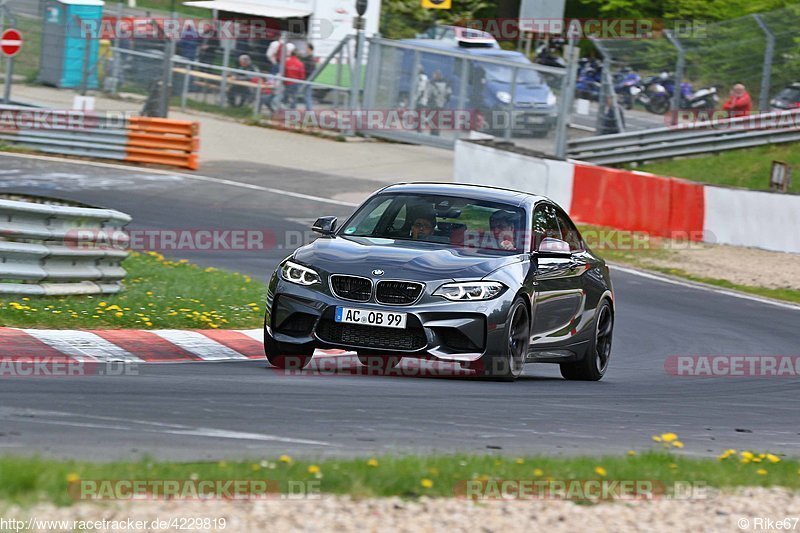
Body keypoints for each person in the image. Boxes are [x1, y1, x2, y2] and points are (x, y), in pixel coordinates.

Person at [423, 70, 452, 136]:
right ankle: (436, 132)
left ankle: (433, 132)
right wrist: (445, 100)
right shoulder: (446, 83)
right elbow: (449, 93)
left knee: (433, 119)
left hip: (434, 104)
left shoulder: (431, 83)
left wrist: (428, 101)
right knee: (438, 120)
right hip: (441, 104)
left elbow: (429, 93)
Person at [300, 43, 317, 110]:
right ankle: (308, 109)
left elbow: (309, 69)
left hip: (307, 79)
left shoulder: (310, 58)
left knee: (307, 95)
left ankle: (309, 110)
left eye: (306, 48)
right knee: (306, 95)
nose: (305, 49)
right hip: (307, 79)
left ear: (309, 49)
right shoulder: (309, 58)